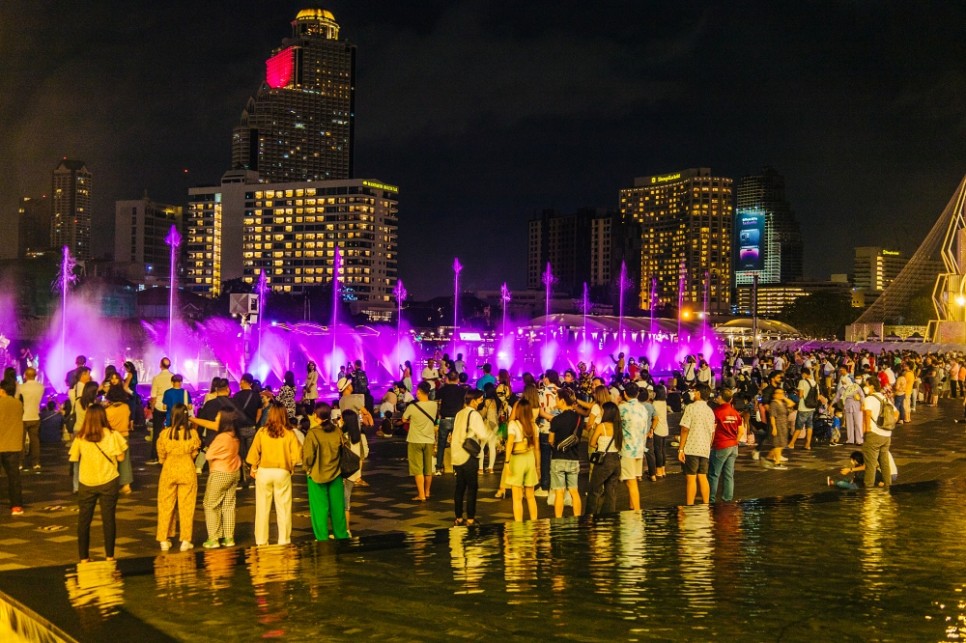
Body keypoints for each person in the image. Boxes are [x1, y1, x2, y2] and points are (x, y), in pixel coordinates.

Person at [68, 405, 127, 562]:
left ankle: (84, 557)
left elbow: (74, 458)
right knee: (109, 520)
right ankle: (109, 556)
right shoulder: (112, 435)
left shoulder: (81, 437)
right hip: (108, 480)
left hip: (87, 482)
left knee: (84, 521)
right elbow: (121, 458)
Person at [247, 402, 302, 546]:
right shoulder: (289, 433)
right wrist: (290, 466)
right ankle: (284, 540)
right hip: (282, 471)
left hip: (264, 471)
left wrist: (253, 467)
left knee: (262, 508)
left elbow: (254, 453)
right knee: (283, 508)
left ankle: (261, 540)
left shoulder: (262, 432)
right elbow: (297, 456)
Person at [155, 404, 201, 551]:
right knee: (187, 506)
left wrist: (165, 460)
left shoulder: (165, 434)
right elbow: (195, 453)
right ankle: (185, 540)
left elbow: (161, 455)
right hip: (187, 468)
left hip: (169, 469)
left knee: (165, 505)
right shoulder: (192, 434)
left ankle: (163, 538)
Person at [302, 402, 350, 540]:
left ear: (316, 416)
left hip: (317, 475)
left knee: (319, 510)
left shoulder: (313, 433)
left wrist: (307, 469)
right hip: (336, 474)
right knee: (338, 509)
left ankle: (322, 538)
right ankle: (341, 535)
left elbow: (308, 456)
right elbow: (345, 447)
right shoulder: (337, 431)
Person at [195, 408, 242, 548]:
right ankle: (229, 538)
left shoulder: (221, 437)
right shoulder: (234, 435)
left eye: (217, 417)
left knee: (210, 505)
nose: (215, 419)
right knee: (228, 506)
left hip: (219, 473)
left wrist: (209, 448)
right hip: (234, 472)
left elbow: (208, 455)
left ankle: (213, 538)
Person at [451, 389, 487, 525]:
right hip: (468, 455)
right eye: (479, 400)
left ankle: (458, 517)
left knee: (460, 487)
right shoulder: (475, 415)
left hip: (457, 454)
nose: (480, 402)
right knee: (472, 487)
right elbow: (482, 434)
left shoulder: (459, 414)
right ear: (473, 400)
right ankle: (470, 519)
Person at [677, 384, 716, 505]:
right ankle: (706, 504)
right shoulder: (710, 411)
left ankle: (690, 504)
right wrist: (709, 445)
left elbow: (684, 429)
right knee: (703, 476)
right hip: (704, 448)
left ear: (698, 393)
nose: (692, 393)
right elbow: (712, 432)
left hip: (692, 447)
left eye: (694, 391)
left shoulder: (691, 408)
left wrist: (681, 449)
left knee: (691, 477)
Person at [505, 398, 540, 521]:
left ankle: (518, 523)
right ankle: (534, 521)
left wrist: (506, 462)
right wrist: (538, 467)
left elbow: (509, 443)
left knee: (517, 497)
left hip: (517, 459)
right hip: (530, 459)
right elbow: (537, 448)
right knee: (530, 495)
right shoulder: (534, 426)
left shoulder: (513, 424)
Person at [548, 388, 582, 518]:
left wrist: (555, 444)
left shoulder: (556, 420)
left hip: (558, 458)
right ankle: (578, 517)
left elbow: (551, 440)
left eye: (557, 398)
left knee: (559, 492)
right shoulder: (578, 419)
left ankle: (558, 519)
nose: (556, 401)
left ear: (562, 400)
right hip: (573, 458)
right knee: (574, 491)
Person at [708, 389, 745, 503]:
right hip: (733, 446)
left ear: (720, 398)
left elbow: (712, 430)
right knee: (729, 474)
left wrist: (710, 444)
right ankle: (727, 499)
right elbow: (741, 431)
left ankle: (711, 499)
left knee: (714, 474)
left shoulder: (717, 412)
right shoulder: (735, 413)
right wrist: (735, 441)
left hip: (721, 445)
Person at [403, 381, 438, 501]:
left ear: (418, 391)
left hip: (415, 440)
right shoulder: (434, 405)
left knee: (418, 468)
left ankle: (421, 495)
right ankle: (427, 492)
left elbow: (403, 419)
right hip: (429, 440)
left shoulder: (412, 407)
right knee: (428, 468)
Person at [585, 401, 623, 516]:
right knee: (611, 492)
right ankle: (608, 517)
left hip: (604, 460)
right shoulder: (618, 426)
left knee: (594, 490)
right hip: (616, 460)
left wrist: (599, 446)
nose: (601, 412)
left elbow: (592, 443)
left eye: (602, 410)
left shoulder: (602, 426)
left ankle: (590, 516)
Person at [618, 382, 648, 511]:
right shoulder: (643, 408)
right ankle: (632, 506)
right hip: (639, 448)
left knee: (631, 482)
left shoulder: (622, 408)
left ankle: (636, 511)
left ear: (625, 393)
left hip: (627, 449)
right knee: (633, 479)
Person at [861, 376, 893, 490]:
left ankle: (868, 488)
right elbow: (896, 413)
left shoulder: (869, 399)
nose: (865, 387)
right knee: (884, 461)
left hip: (874, 434)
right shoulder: (885, 398)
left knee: (870, 463)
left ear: (872, 386)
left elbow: (867, 415)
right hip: (886, 434)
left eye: (867, 384)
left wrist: (866, 431)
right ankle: (887, 485)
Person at [340, 408, 368, 533]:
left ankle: (344, 530)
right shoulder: (361, 435)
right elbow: (365, 453)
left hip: (342, 472)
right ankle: (346, 529)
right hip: (354, 471)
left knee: (342, 502)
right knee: (347, 501)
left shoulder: (342, 435)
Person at [0, 380, 24, 515]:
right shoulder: (18, 404)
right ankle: (16, 505)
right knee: (14, 477)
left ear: (2, 390)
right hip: (13, 445)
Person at [104, 386, 134, 494]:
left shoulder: (107, 411)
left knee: (111, 460)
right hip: (124, 435)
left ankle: (111, 484)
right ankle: (126, 485)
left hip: (112, 436)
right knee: (125, 461)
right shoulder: (126, 407)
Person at [435, 370, 464, 476]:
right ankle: (456, 468)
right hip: (457, 419)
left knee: (441, 444)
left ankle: (439, 467)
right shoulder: (461, 390)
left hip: (444, 419)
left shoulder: (443, 390)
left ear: (447, 378)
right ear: (458, 379)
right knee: (456, 445)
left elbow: (435, 397)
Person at [17, 367, 44, 472]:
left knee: (21, 441)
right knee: (35, 441)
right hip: (35, 416)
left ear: (25, 376)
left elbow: (17, 399)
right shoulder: (41, 387)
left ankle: (20, 462)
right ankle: (36, 462)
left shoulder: (21, 387)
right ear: (35, 375)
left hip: (23, 417)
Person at [148, 357, 173, 463]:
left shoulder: (156, 378)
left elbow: (153, 395)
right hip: (171, 407)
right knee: (171, 431)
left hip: (159, 406)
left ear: (160, 365)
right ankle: (170, 454)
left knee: (157, 432)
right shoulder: (173, 377)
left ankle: (155, 456)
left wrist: (152, 408)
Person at [651, 385, 670, 479]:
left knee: (657, 450)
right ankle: (663, 469)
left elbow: (655, 418)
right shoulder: (664, 402)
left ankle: (659, 471)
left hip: (658, 429)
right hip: (665, 428)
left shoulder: (655, 403)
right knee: (663, 450)